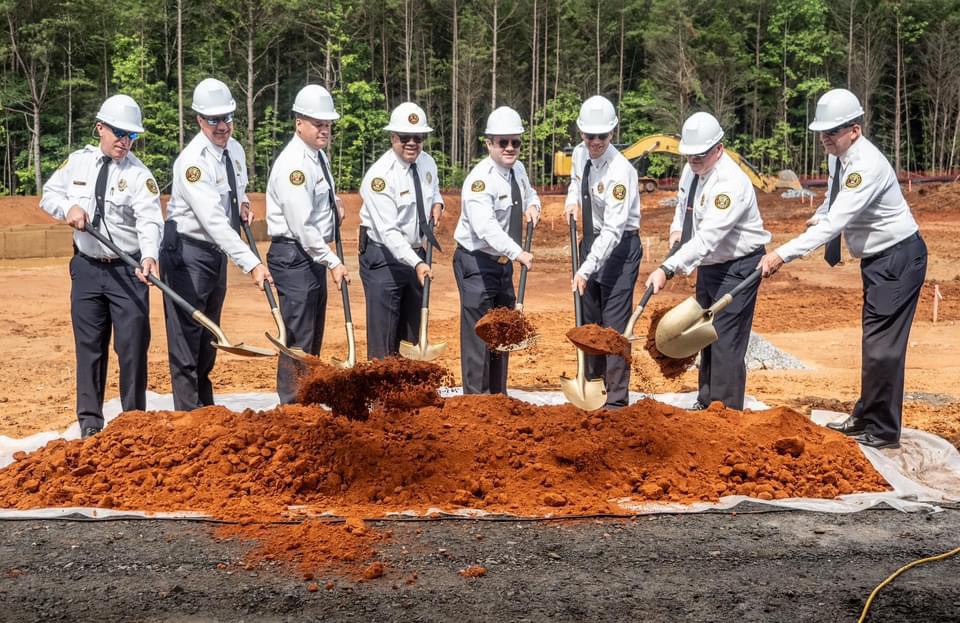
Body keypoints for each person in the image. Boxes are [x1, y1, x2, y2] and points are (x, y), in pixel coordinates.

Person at [758, 88, 927, 450]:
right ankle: (866, 414)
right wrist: (817, 215)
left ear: (854, 129)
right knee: (873, 343)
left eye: (831, 133)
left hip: (898, 258)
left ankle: (882, 430)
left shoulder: (865, 164)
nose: (825, 140)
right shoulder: (839, 157)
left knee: (884, 349)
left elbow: (838, 220)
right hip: (879, 261)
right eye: (822, 133)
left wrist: (782, 255)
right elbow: (831, 202)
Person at [40, 94, 163, 438]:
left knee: (132, 347)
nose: (125, 142)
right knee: (90, 348)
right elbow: (48, 194)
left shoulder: (140, 175)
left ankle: (133, 422)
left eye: (132, 136)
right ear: (100, 128)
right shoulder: (77, 163)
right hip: (88, 268)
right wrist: (68, 210)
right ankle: (90, 424)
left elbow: (150, 220)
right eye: (119, 134)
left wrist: (150, 256)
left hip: (129, 269)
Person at [644, 112, 771, 411]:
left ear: (719, 148)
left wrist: (668, 267)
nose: (693, 160)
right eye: (688, 155)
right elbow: (683, 204)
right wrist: (676, 230)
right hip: (711, 266)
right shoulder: (693, 169)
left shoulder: (730, 184)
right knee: (704, 335)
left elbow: (709, 237)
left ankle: (725, 413)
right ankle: (706, 402)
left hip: (738, 267)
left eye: (699, 155)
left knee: (726, 340)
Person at [161, 77, 273, 411]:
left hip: (214, 255)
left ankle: (205, 408)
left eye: (227, 118)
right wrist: (252, 263)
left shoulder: (234, 151)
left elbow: (236, 192)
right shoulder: (193, 162)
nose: (222, 126)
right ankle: (188, 416)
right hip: (186, 251)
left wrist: (242, 205)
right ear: (199, 120)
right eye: (214, 120)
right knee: (187, 336)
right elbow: (212, 222)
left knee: (209, 334)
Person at [265, 85, 350, 403]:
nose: (324, 129)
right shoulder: (294, 166)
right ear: (299, 122)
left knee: (312, 332)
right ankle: (292, 404)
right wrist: (333, 261)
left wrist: (336, 204)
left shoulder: (318, 158)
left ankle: (307, 399)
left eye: (328, 124)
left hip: (310, 256)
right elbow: (302, 225)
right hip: (294, 255)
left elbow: (322, 199)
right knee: (298, 336)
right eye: (318, 123)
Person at [454, 106, 540, 394]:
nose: (510, 148)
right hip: (477, 262)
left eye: (515, 142)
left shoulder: (518, 170)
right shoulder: (480, 181)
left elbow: (531, 194)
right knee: (480, 332)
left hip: (503, 264)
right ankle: (476, 401)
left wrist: (533, 206)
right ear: (489, 143)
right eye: (503, 142)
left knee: (503, 329)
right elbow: (485, 228)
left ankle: (497, 395)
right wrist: (519, 253)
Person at [564, 95, 641, 408]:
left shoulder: (620, 172)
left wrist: (585, 268)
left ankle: (616, 400)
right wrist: (571, 200)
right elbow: (575, 181)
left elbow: (613, 229)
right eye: (589, 135)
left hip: (619, 247)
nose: (595, 142)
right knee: (589, 320)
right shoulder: (580, 154)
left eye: (602, 136)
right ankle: (592, 388)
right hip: (591, 241)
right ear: (581, 133)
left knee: (613, 326)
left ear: (613, 134)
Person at [358, 102, 444, 359]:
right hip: (383, 258)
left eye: (418, 138)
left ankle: (405, 395)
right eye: (404, 137)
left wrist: (438, 202)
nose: (411, 143)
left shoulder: (427, 164)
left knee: (410, 335)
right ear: (393, 137)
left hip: (415, 255)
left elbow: (433, 190)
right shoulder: (380, 177)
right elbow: (388, 232)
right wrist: (417, 263)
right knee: (384, 339)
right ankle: (379, 396)